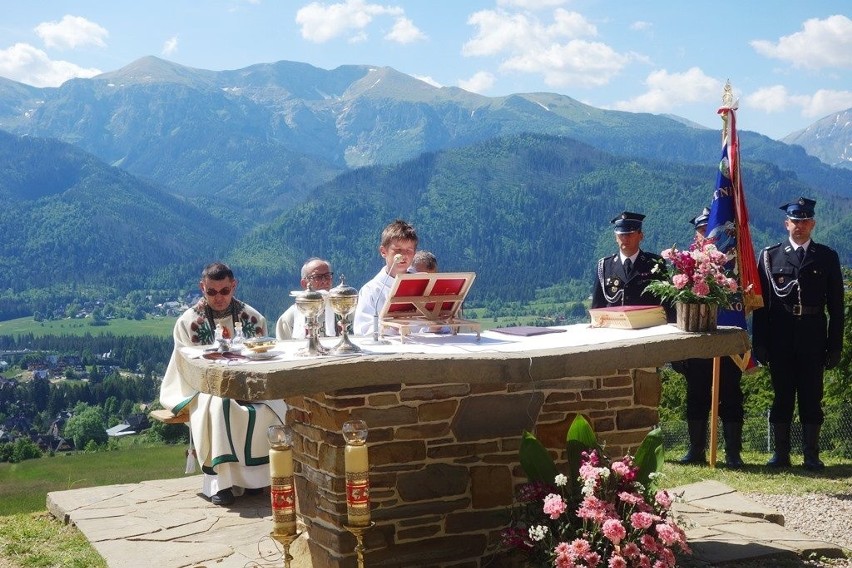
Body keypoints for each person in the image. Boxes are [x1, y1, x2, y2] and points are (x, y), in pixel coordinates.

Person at [159, 262, 287, 505]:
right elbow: (186, 365)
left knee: (273, 406)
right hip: (202, 386)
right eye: (211, 292)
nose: (219, 298)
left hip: (248, 383)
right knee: (221, 407)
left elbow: (260, 358)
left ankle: (256, 480)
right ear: (202, 288)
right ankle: (221, 483)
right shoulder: (189, 322)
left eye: (225, 291)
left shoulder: (252, 317)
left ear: (234, 286)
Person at [752, 197, 844, 470]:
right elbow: (761, 305)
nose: (800, 226)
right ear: (786, 223)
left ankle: (811, 455)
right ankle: (781, 454)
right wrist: (760, 342)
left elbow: (836, 307)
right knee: (781, 396)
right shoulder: (770, 256)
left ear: (813, 224)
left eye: (805, 221)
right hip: (780, 336)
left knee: (811, 396)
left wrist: (834, 344)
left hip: (813, 336)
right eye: (795, 221)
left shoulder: (826, 256)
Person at [677, 207, 745, 467]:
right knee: (695, 396)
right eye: (702, 230)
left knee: (731, 394)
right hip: (696, 341)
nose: (706, 235)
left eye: (711, 230)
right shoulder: (685, 264)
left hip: (726, 339)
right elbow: (676, 308)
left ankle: (732, 453)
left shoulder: (732, 262)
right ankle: (696, 450)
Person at [591, 211, 668, 309]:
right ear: (616, 237)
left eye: (629, 234)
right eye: (621, 234)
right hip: (615, 323)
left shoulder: (655, 264)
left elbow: (667, 304)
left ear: (641, 236)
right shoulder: (604, 266)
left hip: (647, 323)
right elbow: (597, 306)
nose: (625, 238)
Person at [353, 219, 417, 336]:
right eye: (397, 250)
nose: (403, 255)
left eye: (409, 250)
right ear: (383, 251)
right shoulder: (371, 290)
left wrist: (436, 327)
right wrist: (394, 327)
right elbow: (362, 329)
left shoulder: (422, 285)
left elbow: (432, 325)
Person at [276, 258, 337, 340]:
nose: (324, 281)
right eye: (317, 277)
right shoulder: (289, 318)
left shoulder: (343, 309)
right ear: (304, 283)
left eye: (327, 276)